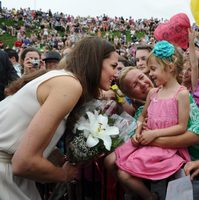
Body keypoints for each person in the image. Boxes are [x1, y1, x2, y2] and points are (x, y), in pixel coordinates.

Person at [0, 36, 119, 200]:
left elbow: (25, 135)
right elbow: (24, 162)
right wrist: (63, 174)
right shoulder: (70, 84)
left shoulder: (62, 78)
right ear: (96, 62)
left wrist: (60, 156)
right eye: (113, 66)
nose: (116, 73)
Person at [105, 41, 192, 200]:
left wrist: (153, 134)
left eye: (151, 70)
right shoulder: (154, 93)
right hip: (148, 143)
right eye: (134, 85)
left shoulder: (182, 94)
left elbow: (183, 126)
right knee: (119, 169)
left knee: (164, 185)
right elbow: (142, 116)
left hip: (166, 147)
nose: (149, 74)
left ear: (170, 67)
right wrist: (138, 131)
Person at [182, 29, 199, 108]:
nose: (185, 72)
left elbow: (194, 65)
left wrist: (191, 41)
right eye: (183, 68)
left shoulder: (194, 86)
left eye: (189, 70)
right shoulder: (176, 85)